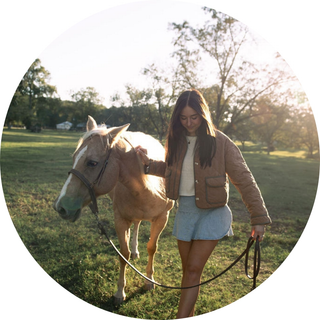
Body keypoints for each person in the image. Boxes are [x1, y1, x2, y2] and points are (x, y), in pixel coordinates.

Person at [135, 89, 271, 318]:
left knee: (193, 269)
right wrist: (148, 165)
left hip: (213, 213)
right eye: (183, 118)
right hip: (186, 212)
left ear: (203, 114)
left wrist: (258, 218)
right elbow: (172, 171)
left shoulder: (221, 142)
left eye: (194, 117)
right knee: (188, 272)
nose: (189, 123)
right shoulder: (176, 140)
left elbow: (244, 179)